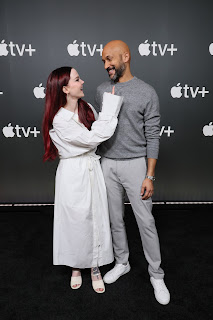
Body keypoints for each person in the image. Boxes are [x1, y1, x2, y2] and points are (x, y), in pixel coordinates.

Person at [94, 40, 170, 304]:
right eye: (103, 61)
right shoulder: (102, 90)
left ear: (125, 56)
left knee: (146, 222)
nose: (106, 65)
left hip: (136, 164)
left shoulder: (146, 92)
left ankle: (156, 275)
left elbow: (152, 136)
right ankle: (122, 262)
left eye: (110, 59)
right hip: (107, 164)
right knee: (115, 219)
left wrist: (149, 175)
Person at [42, 66, 123, 294]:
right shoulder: (60, 120)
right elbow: (94, 137)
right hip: (72, 173)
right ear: (66, 88)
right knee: (75, 220)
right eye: (78, 80)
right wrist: (110, 107)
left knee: (96, 216)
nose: (82, 82)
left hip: (91, 168)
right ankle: (76, 266)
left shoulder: (86, 108)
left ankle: (94, 265)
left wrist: (105, 113)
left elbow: (99, 130)